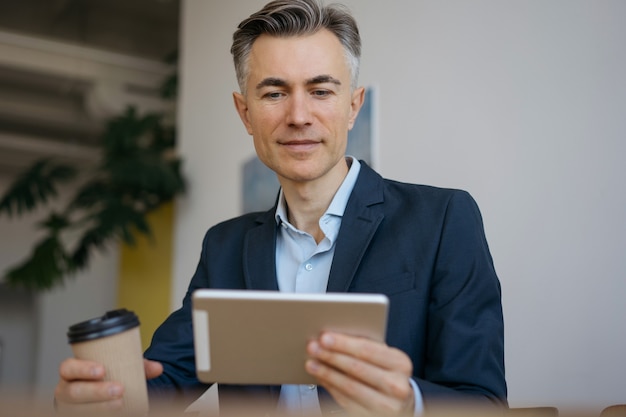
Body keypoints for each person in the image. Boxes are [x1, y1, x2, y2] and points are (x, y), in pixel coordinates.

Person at [54, 0, 507, 415]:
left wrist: (408, 402)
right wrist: (98, 397)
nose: (298, 116)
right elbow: (160, 386)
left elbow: (484, 402)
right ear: (245, 112)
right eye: (274, 93)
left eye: (321, 91)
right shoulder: (225, 247)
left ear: (353, 106)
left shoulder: (444, 219)